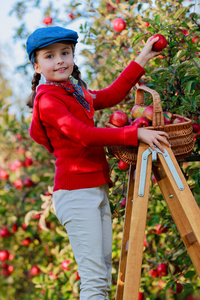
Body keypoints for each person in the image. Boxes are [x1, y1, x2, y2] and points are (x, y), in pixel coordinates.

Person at [26, 26, 170, 300]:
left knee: (102, 278)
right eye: (49, 56)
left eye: (65, 53)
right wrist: (134, 133)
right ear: (36, 66)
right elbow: (83, 135)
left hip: (95, 189)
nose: (59, 60)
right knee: (94, 283)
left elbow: (111, 95)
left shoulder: (75, 91)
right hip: (76, 194)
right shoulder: (48, 101)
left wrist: (142, 58)